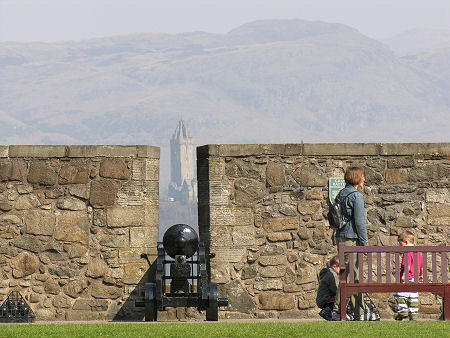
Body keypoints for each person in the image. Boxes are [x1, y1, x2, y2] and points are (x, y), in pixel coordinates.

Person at [331, 166, 370, 321]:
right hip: (351, 239)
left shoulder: (340, 194)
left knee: (349, 275)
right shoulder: (356, 196)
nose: (364, 179)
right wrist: (365, 244)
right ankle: (337, 311)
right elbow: (360, 223)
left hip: (340, 237)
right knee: (349, 276)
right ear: (357, 178)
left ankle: (359, 311)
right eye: (362, 177)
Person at [393, 231, 423, 321]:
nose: (400, 246)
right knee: (413, 296)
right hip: (415, 279)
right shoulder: (418, 253)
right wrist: (421, 275)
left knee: (400, 295)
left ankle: (403, 312)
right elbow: (421, 267)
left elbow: (407, 266)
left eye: (400, 244)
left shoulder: (407, 253)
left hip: (407, 278)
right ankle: (413, 315)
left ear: (406, 242)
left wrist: (404, 276)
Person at [316, 255, 340, 321]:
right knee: (341, 298)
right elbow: (336, 289)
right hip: (326, 299)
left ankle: (328, 310)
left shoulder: (327, 273)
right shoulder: (332, 274)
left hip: (322, 299)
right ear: (335, 266)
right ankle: (327, 311)